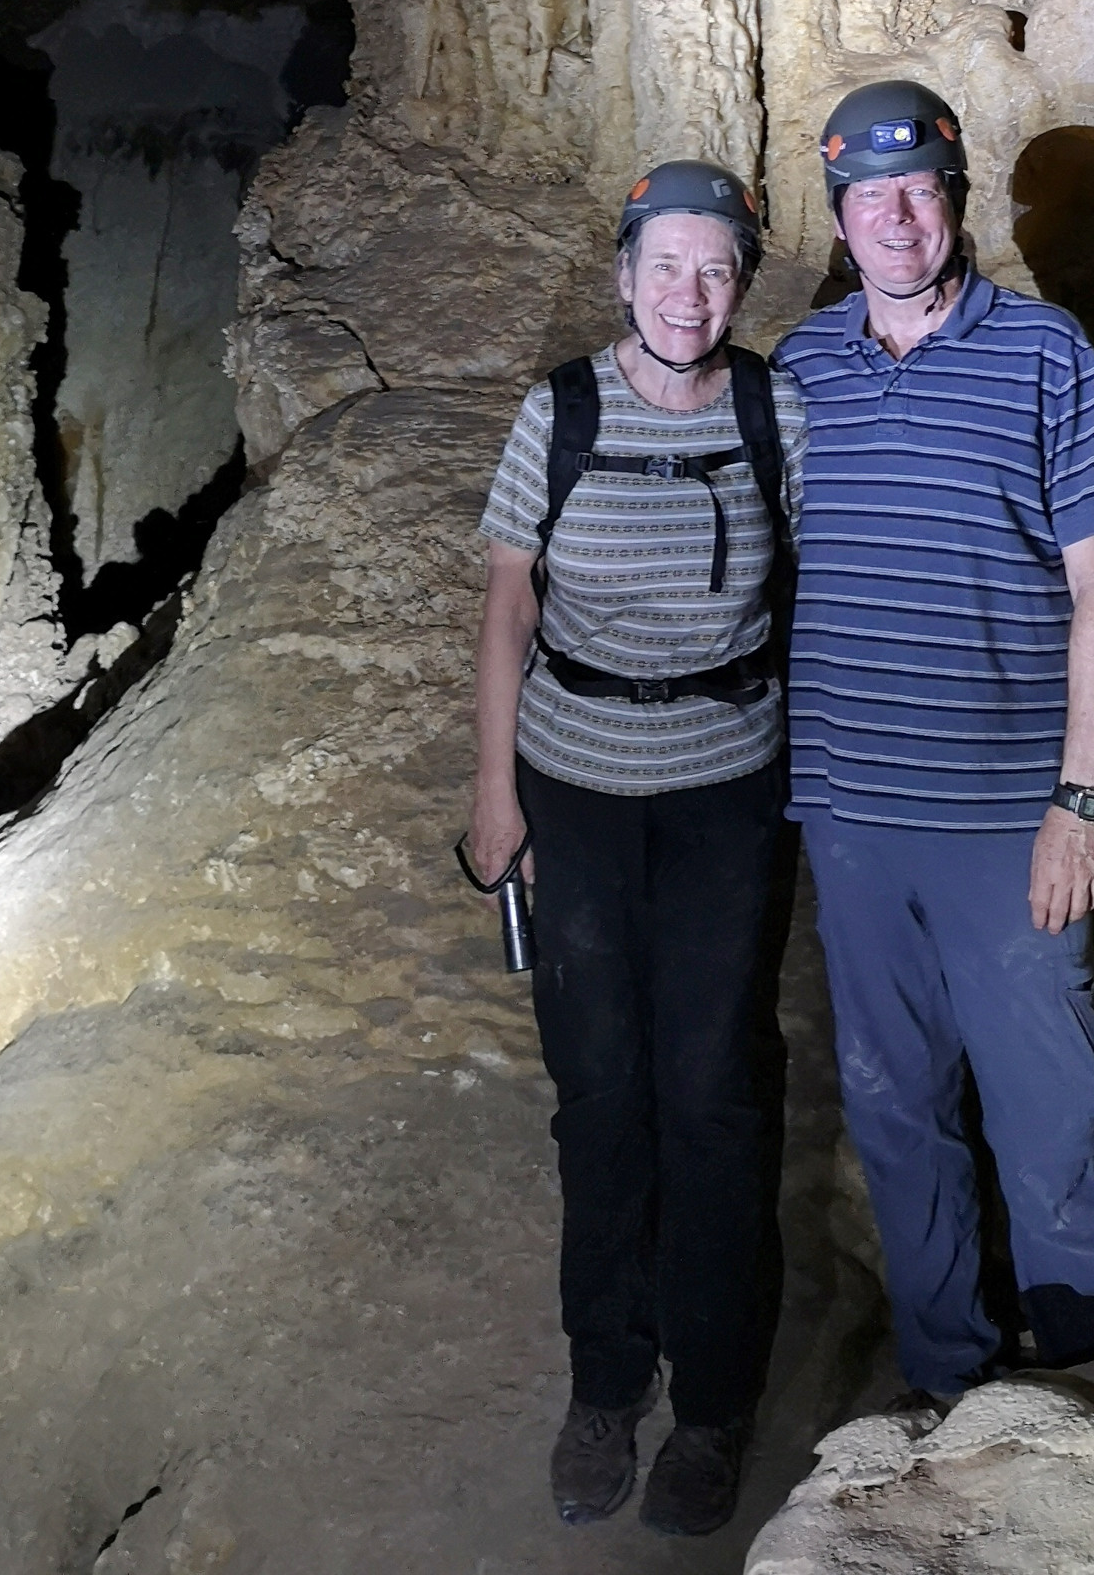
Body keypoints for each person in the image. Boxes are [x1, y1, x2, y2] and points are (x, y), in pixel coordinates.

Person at [776, 81, 1094, 1406]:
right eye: (868, 195)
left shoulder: (1044, 352)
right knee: (896, 1115)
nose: (896, 217)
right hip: (853, 823)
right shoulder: (800, 370)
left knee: (1053, 1114)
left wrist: (1081, 803)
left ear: (957, 202)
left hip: (1011, 828)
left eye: (919, 189)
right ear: (838, 216)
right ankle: (947, 1378)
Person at [468, 161, 807, 1536]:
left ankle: (714, 1402)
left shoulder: (775, 411)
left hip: (727, 789)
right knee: (601, 1089)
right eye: (665, 264)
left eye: (715, 268)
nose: (688, 292)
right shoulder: (557, 411)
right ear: (623, 275)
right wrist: (495, 792)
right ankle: (606, 1379)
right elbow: (509, 603)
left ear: (742, 284)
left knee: (715, 1093)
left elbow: (828, 578)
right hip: (581, 789)